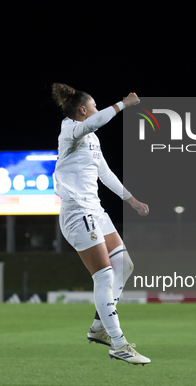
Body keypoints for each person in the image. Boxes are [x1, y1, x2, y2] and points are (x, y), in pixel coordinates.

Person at [51, 83, 151, 365]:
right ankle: (118, 343)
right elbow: (97, 120)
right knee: (104, 276)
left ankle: (98, 327)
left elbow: (104, 173)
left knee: (125, 265)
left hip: (96, 210)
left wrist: (131, 200)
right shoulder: (70, 130)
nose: (97, 109)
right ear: (83, 110)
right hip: (77, 212)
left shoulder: (91, 140)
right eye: (94, 105)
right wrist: (123, 104)